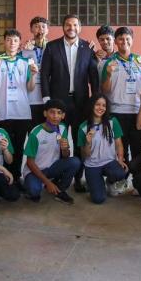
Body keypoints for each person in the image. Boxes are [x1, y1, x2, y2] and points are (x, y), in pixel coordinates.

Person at [40, 14, 99, 192]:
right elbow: (44, 74)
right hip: (58, 103)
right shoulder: (52, 46)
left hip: (81, 102)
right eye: (67, 25)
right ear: (63, 27)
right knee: (59, 139)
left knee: (79, 140)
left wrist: (95, 99)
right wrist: (47, 99)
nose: (71, 27)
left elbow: (93, 76)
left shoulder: (87, 48)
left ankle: (78, 178)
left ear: (79, 28)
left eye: (74, 25)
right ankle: (58, 177)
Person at [0, 29, 38, 184]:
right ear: (4, 42)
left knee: (19, 147)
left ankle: (17, 176)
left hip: (21, 112)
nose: (12, 43)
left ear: (19, 43)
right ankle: (4, 176)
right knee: (4, 147)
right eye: (8, 40)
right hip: (3, 112)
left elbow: (30, 88)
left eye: (15, 40)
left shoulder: (25, 62)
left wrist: (34, 75)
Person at [101, 26, 141, 170]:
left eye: (127, 38)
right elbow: (105, 90)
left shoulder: (140, 59)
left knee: (137, 148)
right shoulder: (109, 61)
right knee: (119, 148)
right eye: (121, 39)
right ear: (116, 42)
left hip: (137, 111)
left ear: (132, 40)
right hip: (116, 112)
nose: (124, 41)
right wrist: (109, 74)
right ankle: (121, 180)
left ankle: (136, 181)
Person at [23, 99, 81, 204]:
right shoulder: (36, 133)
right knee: (34, 192)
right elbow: (29, 162)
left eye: (59, 113)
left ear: (63, 115)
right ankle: (37, 184)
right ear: (45, 113)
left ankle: (60, 190)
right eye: (52, 112)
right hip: (34, 171)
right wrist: (46, 182)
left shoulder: (62, 128)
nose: (55, 116)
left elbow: (66, 156)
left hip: (52, 168)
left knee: (75, 162)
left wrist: (65, 149)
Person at [77, 94, 127, 203]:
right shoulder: (83, 127)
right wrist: (88, 143)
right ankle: (94, 182)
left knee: (120, 173)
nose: (101, 108)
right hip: (92, 165)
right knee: (98, 199)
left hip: (109, 162)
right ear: (92, 106)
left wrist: (120, 159)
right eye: (97, 104)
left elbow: (119, 143)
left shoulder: (113, 121)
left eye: (104, 105)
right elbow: (84, 155)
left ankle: (110, 182)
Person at [21, 16, 49, 127]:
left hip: (47, 97)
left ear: (47, 30)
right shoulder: (25, 50)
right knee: (32, 131)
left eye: (43, 27)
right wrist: (22, 51)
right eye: (36, 27)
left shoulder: (53, 48)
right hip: (30, 98)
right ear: (31, 30)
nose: (40, 29)